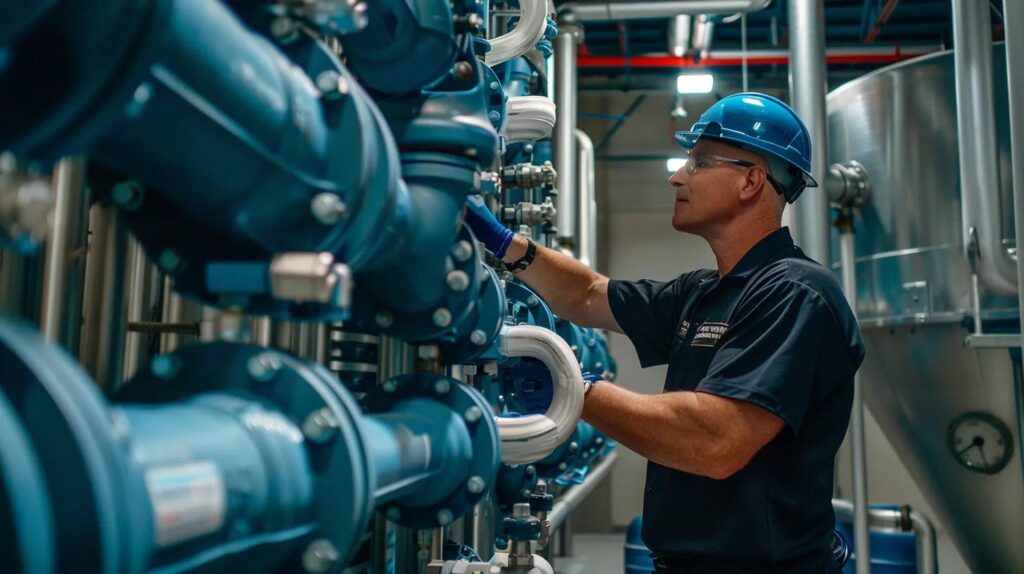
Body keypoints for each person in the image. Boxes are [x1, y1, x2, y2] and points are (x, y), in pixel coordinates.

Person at [463, 92, 864, 573]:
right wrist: (505, 244)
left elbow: (716, 440)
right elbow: (589, 294)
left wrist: (571, 389)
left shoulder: (797, 292)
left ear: (752, 181)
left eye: (698, 162)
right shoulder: (703, 291)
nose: (677, 176)